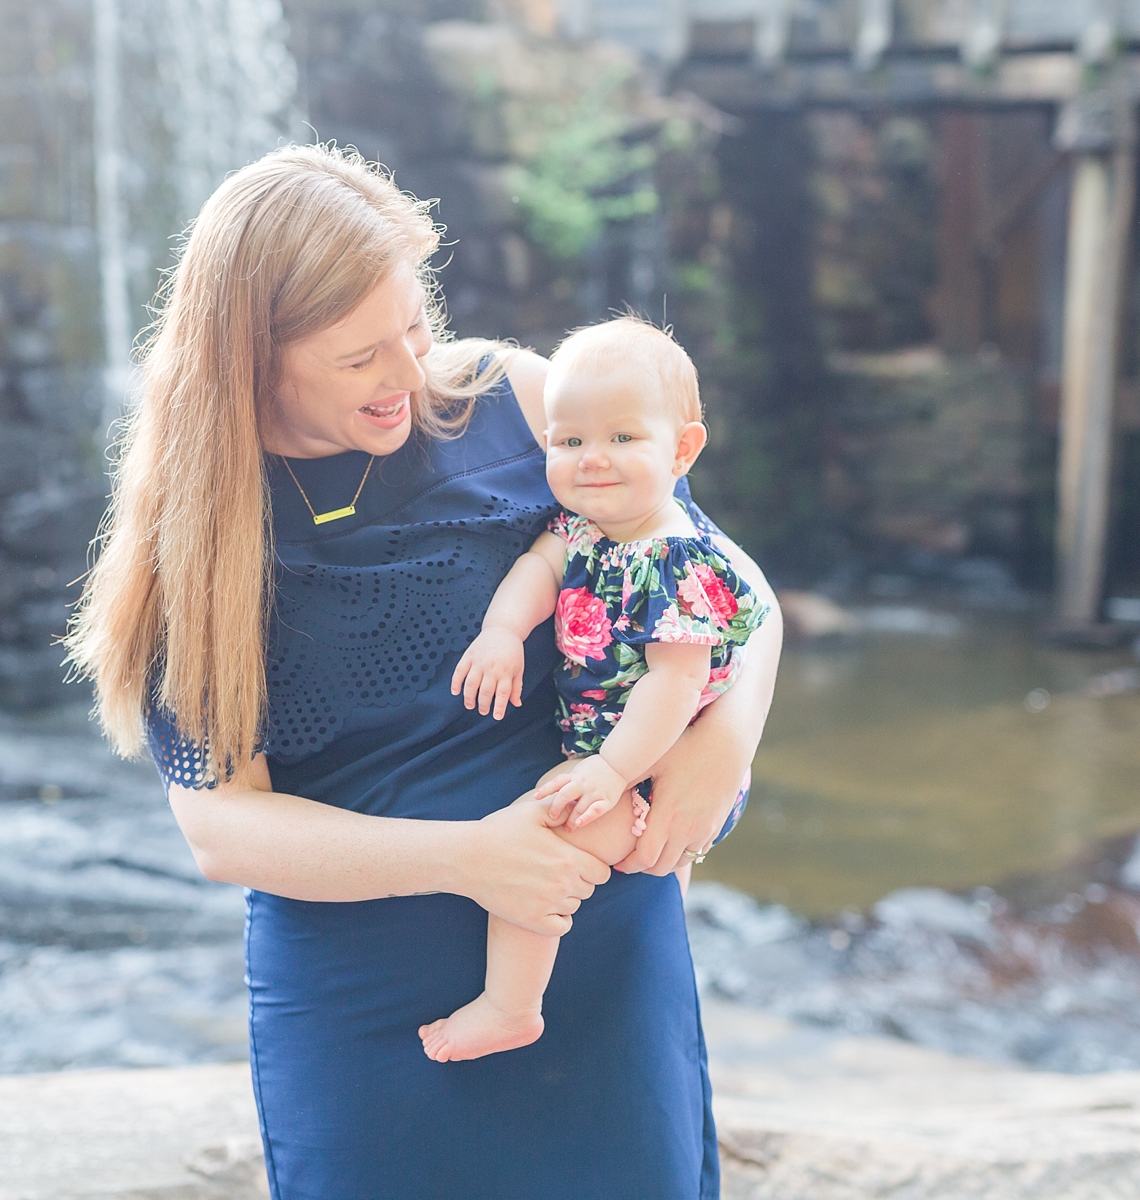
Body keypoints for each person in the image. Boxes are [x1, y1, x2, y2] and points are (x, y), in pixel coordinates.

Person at [66, 144, 781, 1200]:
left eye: (416, 324)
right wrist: (474, 860)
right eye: (361, 355)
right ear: (255, 358)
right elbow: (221, 828)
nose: (410, 371)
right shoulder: (203, 539)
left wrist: (725, 742)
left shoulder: (521, 400)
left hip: (601, 956)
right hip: (371, 1007)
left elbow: (732, 594)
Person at [421, 317, 770, 1065]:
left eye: (622, 439)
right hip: (619, 757)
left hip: (657, 771)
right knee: (617, 872)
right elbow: (539, 572)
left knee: (541, 829)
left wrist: (611, 773)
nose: (593, 461)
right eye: (569, 442)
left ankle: (511, 1006)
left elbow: (677, 686)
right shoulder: (584, 527)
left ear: (682, 450)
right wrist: (502, 633)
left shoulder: (674, 558)